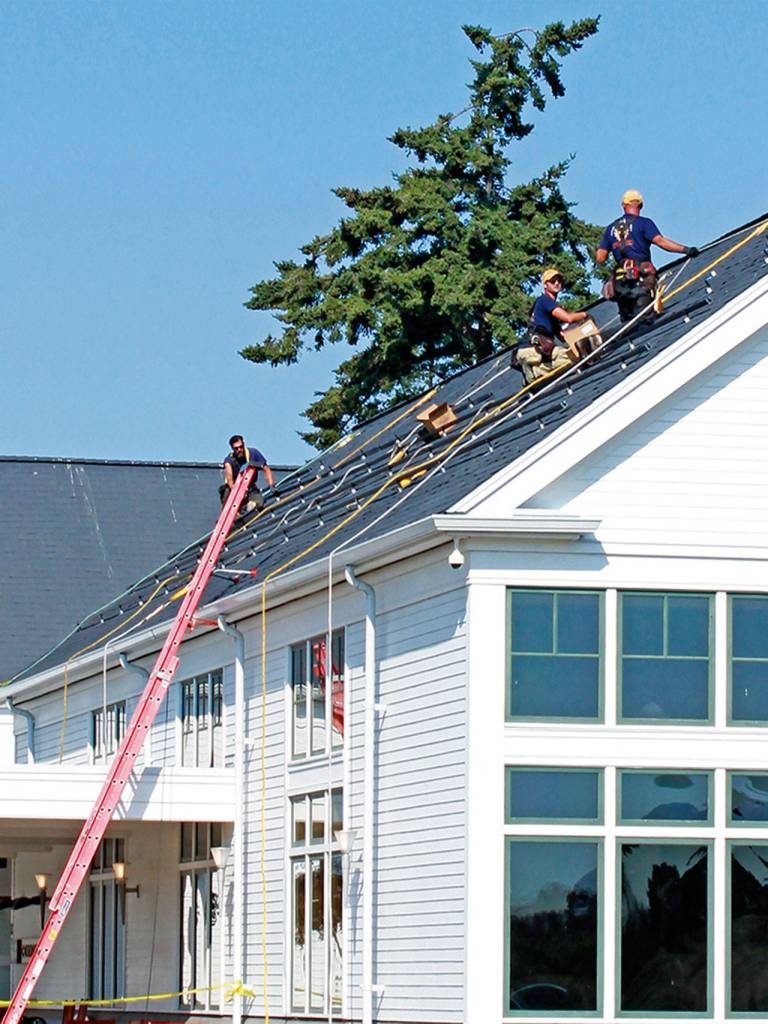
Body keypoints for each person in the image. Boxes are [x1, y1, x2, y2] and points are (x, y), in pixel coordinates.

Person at [596, 189, 699, 322]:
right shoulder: (644, 223)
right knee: (645, 319)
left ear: (623, 205)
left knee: (628, 323)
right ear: (640, 205)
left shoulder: (610, 229)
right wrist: (686, 250)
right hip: (641, 276)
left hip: (621, 281)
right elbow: (661, 242)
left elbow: (600, 258)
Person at [513, 268, 590, 385]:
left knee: (572, 357)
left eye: (558, 280)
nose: (557, 283)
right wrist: (585, 315)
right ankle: (534, 371)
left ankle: (535, 372)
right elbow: (568, 318)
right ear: (545, 285)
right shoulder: (544, 300)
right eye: (552, 281)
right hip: (529, 350)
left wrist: (585, 336)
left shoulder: (551, 315)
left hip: (537, 352)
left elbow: (564, 336)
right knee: (571, 357)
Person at [220, 434, 274, 513]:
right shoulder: (229, 461)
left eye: (241, 447)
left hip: (250, 488)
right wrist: (238, 493)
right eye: (236, 448)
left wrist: (271, 485)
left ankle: (250, 506)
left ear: (244, 444)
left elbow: (266, 469)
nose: (239, 450)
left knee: (259, 503)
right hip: (233, 489)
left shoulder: (253, 453)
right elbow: (230, 480)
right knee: (227, 494)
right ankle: (234, 515)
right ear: (232, 448)